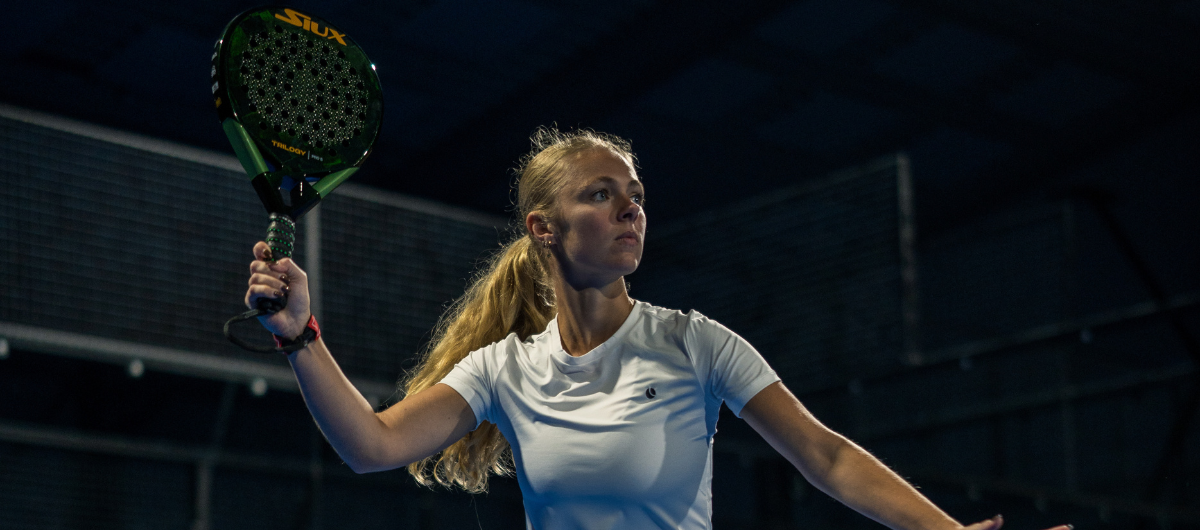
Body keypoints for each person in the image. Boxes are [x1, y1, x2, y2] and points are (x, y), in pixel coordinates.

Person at [244, 127, 1071, 530]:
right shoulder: (504, 369)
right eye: (601, 194)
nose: (629, 208)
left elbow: (824, 455)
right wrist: (299, 333)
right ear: (543, 228)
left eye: (635, 195)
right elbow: (373, 446)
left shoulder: (695, 343)